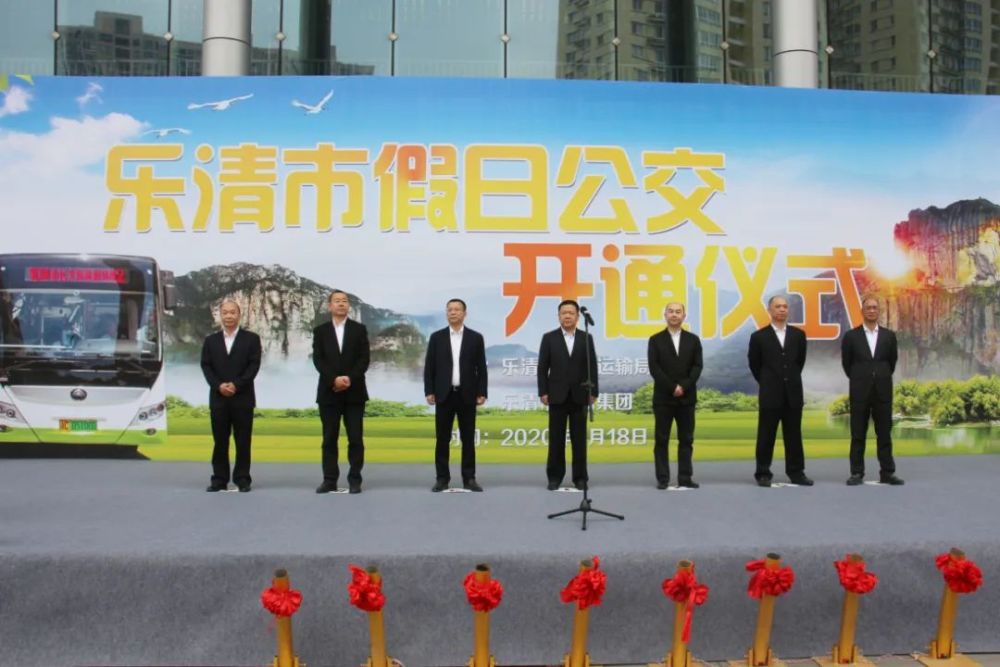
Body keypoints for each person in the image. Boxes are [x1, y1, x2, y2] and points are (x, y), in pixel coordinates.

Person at [747, 295, 813, 487]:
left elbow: (799, 362)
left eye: (785, 306)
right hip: (770, 394)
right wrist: (768, 382)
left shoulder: (798, 335)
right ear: (770, 310)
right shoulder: (759, 337)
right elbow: (755, 365)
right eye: (778, 306)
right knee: (766, 435)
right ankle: (763, 473)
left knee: (794, 435)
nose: (782, 309)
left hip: (793, 393)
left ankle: (796, 472)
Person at [423, 298, 488, 492]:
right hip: (444, 394)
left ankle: (469, 478)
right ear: (446, 313)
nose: (453, 312)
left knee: (468, 439)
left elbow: (481, 368)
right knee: (442, 439)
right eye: (450, 309)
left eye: (457, 309)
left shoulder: (475, 338)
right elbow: (429, 367)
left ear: (464, 313)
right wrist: (429, 391)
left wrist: (482, 391)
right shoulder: (437, 337)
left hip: (467, 394)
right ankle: (442, 479)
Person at [841, 296, 903, 486]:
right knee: (858, 434)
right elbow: (847, 364)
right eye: (868, 307)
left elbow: (891, 362)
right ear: (862, 311)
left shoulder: (889, 336)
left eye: (875, 307)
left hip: (882, 392)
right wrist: (862, 377)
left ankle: (887, 472)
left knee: (884, 434)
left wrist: (880, 376)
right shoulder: (851, 336)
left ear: (879, 311)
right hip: (859, 392)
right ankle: (856, 473)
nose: (871, 310)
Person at [201, 299, 262, 492]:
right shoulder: (211, 341)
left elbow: (254, 366)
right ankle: (219, 479)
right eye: (225, 312)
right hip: (218, 399)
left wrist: (236, 385)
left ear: (239, 315)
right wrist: (219, 385)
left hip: (243, 398)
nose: (229, 316)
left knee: (243, 441)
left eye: (232, 312)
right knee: (220, 441)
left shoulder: (251, 339)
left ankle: (242, 479)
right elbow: (206, 366)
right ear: (220, 315)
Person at [313, 289, 370, 494]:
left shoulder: (359, 329)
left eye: (344, 301)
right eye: (337, 301)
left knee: (355, 438)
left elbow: (364, 359)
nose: (341, 304)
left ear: (348, 306)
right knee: (329, 438)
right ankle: (329, 480)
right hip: (329, 393)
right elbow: (318, 359)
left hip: (354, 392)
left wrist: (348, 379)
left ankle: (355, 480)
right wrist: (334, 380)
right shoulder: (321, 331)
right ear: (330, 306)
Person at [537, 300, 598, 490]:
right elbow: (542, 367)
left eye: (571, 313)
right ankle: (554, 477)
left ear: (578, 316)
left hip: (580, 394)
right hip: (557, 395)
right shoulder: (549, 338)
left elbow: (592, 366)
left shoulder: (586, 337)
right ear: (559, 316)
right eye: (564, 313)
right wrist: (543, 391)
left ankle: (580, 478)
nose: (567, 316)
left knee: (579, 440)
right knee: (556, 439)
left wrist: (593, 391)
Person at [647, 302, 703, 489]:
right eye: (670, 311)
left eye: (678, 312)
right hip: (663, 398)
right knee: (661, 440)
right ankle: (663, 478)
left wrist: (684, 386)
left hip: (687, 398)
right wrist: (672, 387)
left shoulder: (693, 340)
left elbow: (697, 366)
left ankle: (685, 477)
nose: (674, 315)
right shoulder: (655, 340)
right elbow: (654, 368)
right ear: (665, 315)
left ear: (684, 316)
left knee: (686, 439)